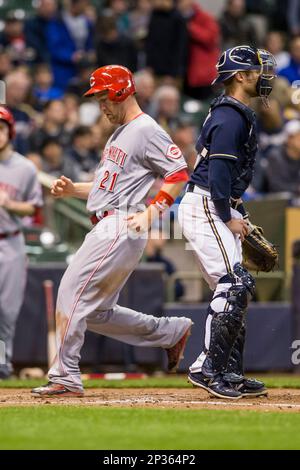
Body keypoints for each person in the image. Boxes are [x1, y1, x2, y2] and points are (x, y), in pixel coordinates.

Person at [32, 65, 193, 397]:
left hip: (122, 222)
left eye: (104, 97)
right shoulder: (120, 133)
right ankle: (169, 332)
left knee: (71, 292)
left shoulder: (145, 128)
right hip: (112, 220)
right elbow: (111, 186)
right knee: (97, 312)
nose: (101, 105)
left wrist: (153, 212)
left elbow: (178, 172)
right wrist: (73, 189)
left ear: (122, 92)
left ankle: (65, 373)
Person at [178, 45, 276, 399]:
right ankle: (208, 368)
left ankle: (230, 372)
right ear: (241, 76)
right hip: (206, 203)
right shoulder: (230, 116)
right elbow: (218, 171)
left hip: (216, 203)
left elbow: (227, 176)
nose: (264, 77)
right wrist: (226, 215)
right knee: (235, 284)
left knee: (236, 291)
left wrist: (238, 213)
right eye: (257, 71)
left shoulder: (233, 112)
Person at [0, 107, 43, 379]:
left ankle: (2, 363)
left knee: (7, 308)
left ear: (10, 132)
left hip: (10, 243)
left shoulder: (24, 167)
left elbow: (34, 208)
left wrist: (10, 204)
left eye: (1, 128)